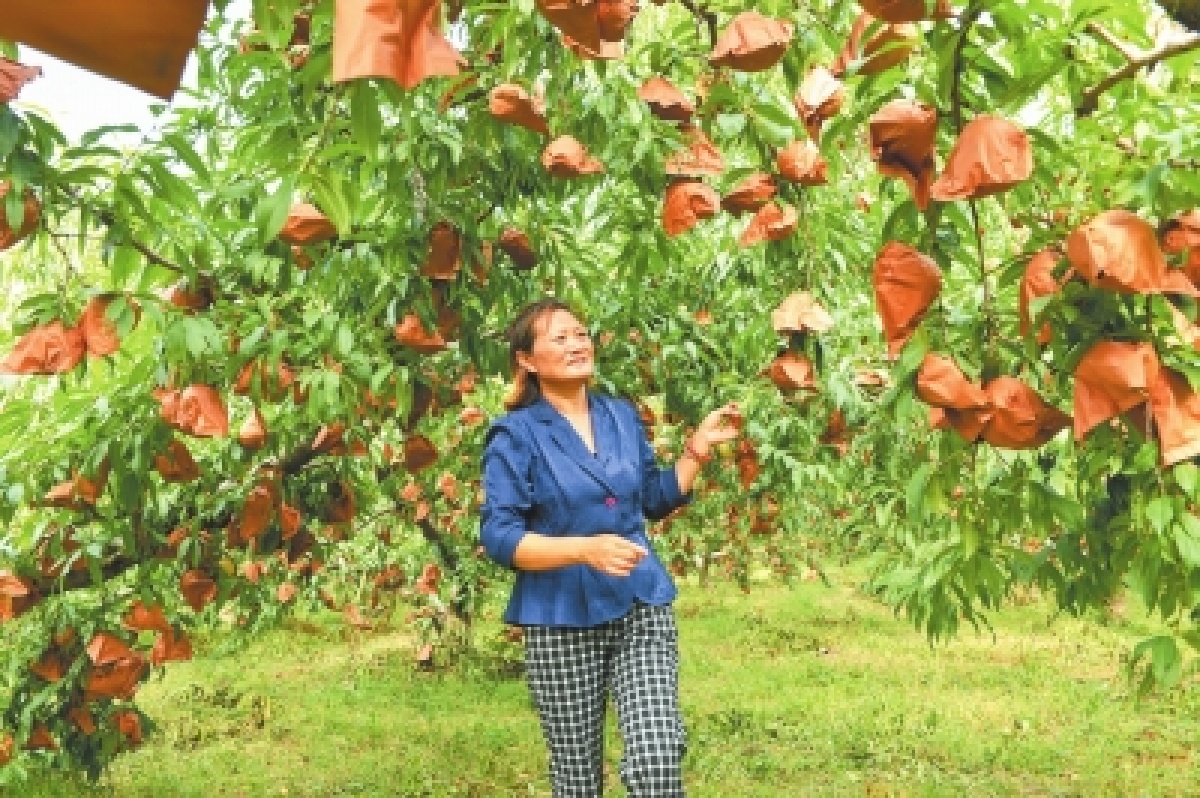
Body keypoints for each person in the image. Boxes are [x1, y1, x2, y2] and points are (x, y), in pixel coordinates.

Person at [479, 297, 741, 797]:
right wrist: (583, 549)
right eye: (560, 338)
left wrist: (694, 453)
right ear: (527, 360)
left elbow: (651, 500)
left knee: (657, 758)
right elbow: (500, 537)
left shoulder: (620, 415)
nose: (578, 344)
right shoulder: (515, 435)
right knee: (577, 778)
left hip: (638, 605)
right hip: (560, 619)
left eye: (581, 333)